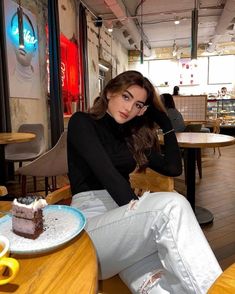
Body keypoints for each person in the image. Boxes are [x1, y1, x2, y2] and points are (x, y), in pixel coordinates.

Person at [67, 70, 222, 293]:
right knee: (172, 206)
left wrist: (164, 120)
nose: (130, 108)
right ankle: (218, 290)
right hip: (91, 232)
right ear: (110, 92)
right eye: (126, 97)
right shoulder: (82, 123)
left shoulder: (132, 136)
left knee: (157, 287)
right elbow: (109, 177)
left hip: (125, 227)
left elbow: (172, 167)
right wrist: (142, 215)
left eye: (139, 105)